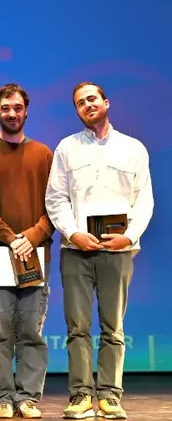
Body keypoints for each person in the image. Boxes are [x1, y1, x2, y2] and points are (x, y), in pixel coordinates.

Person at [45, 82, 153, 420]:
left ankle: (109, 395)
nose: (87, 105)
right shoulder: (67, 148)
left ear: (106, 102)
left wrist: (129, 236)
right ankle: (80, 395)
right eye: (80, 102)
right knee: (77, 326)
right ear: (77, 111)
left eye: (92, 99)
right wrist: (74, 233)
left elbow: (144, 200)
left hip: (118, 250)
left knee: (113, 326)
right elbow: (56, 198)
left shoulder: (133, 149)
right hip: (76, 250)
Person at [0, 84, 54, 419]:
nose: (12, 113)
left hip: (35, 252)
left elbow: (56, 206)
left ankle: (28, 397)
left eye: (17, 108)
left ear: (26, 111)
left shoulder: (43, 154)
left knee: (31, 330)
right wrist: (10, 237)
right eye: (6, 108)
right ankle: (4, 396)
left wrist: (32, 236)